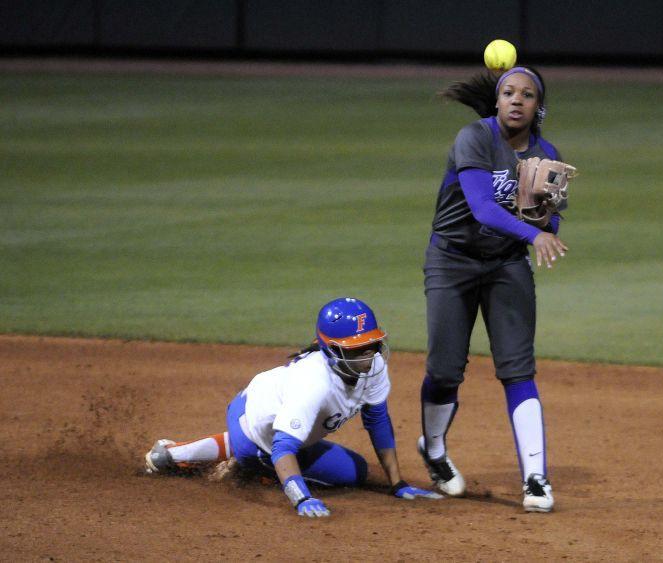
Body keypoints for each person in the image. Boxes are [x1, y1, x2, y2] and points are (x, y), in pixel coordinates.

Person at [417, 66, 569, 513]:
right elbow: (482, 208)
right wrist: (534, 234)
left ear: (539, 107)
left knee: (518, 370)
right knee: (445, 369)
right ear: (498, 101)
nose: (516, 100)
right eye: (508, 92)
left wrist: (542, 220)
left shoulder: (549, 156)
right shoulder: (474, 138)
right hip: (451, 261)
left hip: (506, 265)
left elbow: (552, 221)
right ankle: (435, 450)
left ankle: (536, 479)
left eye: (526, 94)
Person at [144, 297, 441, 517]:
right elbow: (283, 447)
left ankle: (172, 453)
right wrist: (300, 498)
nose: (368, 355)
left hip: (264, 401)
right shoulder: (314, 384)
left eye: (372, 344)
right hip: (261, 429)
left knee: (355, 472)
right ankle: (198, 459)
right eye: (356, 348)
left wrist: (398, 483)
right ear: (332, 349)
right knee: (260, 452)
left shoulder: (372, 367)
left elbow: (377, 421)